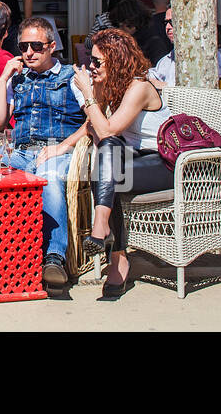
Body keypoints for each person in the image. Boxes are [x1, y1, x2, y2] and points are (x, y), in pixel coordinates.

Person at [0, 17, 89, 287]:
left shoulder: (71, 77)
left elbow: (93, 122)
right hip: (19, 153)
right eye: (23, 46)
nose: (29, 52)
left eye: (36, 46)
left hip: (59, 152)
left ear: (52, 46)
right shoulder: (17, 79)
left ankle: (54, 257)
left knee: (49, 177)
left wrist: (62, 147)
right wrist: (4, 77)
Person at [73, 28, 173, 299]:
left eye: (97, 62)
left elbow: (106, 129)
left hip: (164, 163)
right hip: (130, 160)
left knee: (108, 160)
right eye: (90, 61)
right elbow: (93, 128)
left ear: (116, 60)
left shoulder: (138, 87)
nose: (91, 67)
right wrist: (60, 147)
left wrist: (88, 95)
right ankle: (110, 245)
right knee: (108, 154)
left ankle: (107, 241)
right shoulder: (112, 85)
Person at [147, 8, 221, 89]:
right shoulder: (172, 55)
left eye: (173, 22)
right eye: (166, 22)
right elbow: (155, 73)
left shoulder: (207, 54)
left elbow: (188, 88)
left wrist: (160, 84)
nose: (168, 27)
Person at [109, 0, 170, 65]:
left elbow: (160, 70)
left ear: (130, 23)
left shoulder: (152, 44)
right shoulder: (126, 43)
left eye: (120, 25)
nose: (119, 30)